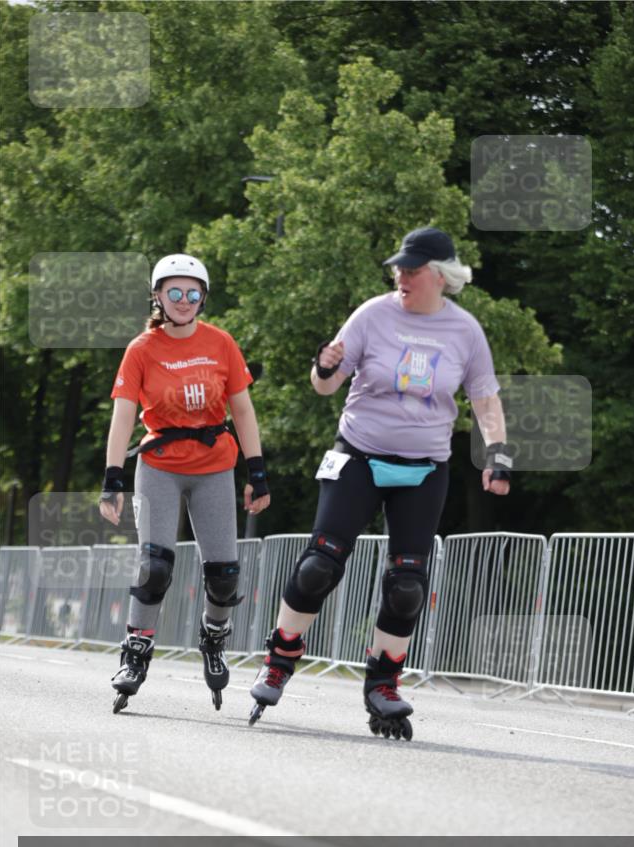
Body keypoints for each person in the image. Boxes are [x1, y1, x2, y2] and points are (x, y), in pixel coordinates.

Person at [249, 227, 511, 739]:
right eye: (398, 269)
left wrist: (497, 454)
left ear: (440, 276)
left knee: (409, 583)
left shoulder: (465, 331)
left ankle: (382, 685)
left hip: (424, 467)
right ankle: (279, 659)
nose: (401, 276)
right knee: (319, 566)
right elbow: (325, 385)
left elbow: (484, 398)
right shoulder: (373, 313)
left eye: (411, 269)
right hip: (359, 455)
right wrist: (322, 366)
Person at [99, 253, 270, 714]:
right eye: (173, 292)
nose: (183, 300)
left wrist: (257, 472)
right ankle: (135, 653)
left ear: (203, 298)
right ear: (157, 295)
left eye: (192, 293)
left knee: (224, 575)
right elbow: (122, 417)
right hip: (160, 466)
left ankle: (213, 637)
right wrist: (112, 478)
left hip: (215, 466)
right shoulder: (141, 349)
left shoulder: (221, 343)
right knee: (155, 566)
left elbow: (244, 410)